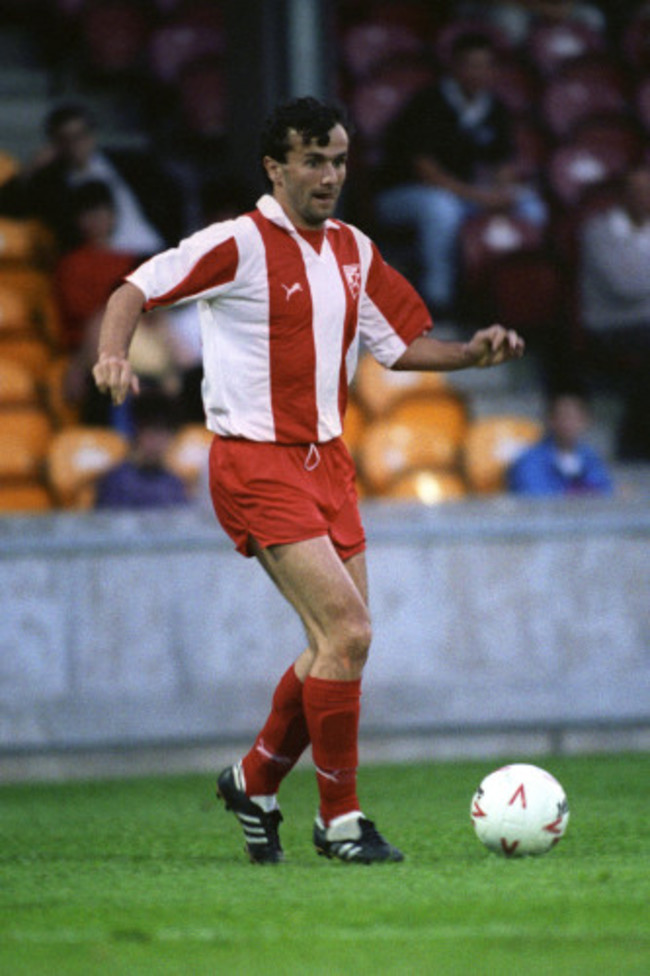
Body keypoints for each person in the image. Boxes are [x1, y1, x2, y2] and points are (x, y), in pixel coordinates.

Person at [92, 96, 525, 865]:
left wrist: (473, 355)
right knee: (349, 633)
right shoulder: (238, 243)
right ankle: (341, 821)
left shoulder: (355, 249)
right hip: (257, 462)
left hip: (331, 461)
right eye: (314, 160)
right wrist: (115, 352)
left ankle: (255, 779)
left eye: (340, 161)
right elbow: (134, 287)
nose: (330, 176)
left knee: (337, 645)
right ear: (276, 166)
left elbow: (400, 345)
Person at [375, 30, 547, 315]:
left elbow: (501, 163)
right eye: (472, 64)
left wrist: (501, 191)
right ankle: (439, 297)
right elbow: (425, 171)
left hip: (467, 194)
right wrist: (481, 197)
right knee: (441, 209)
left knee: (530, 204)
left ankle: (520, 294)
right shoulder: (428, 102)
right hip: (403, 195)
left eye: (486, 65)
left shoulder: (494, 107)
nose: (479, 73)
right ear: (455, 67)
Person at [0, 103, 179, 253]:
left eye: (80, 135)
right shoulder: (51, 185)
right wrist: (31, 168)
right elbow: (8, 205)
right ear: (55, 143)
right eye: (66, 138)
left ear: (92, 134)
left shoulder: (130, 164)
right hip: (103, 266)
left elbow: (170, 199)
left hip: (151, 248)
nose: (76, 144)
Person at [579, 164, 650, 460]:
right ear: (623, 196)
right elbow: (624, 285)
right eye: (639, 192)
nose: (646, 198)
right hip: (610, 326)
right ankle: (633, 444)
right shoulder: (599, 231)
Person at [94, 390, 189, 510]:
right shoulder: (117, 482)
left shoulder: (174, 484)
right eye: (151, 434)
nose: (156, 442)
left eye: (163, 435)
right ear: (137, 435)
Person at [508, 392, 614, 495]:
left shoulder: (590, 457)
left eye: (575, 418)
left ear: (585, 421)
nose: (569, 424)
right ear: (550, 420)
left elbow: (605, 490)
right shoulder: (529, 460)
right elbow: (535, 496)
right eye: (563, 417)